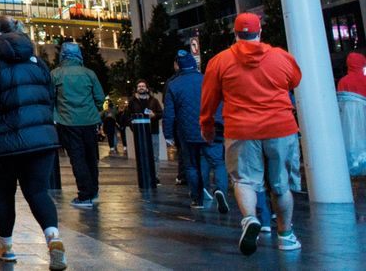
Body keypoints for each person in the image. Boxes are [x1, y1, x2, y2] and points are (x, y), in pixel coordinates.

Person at [0, 16, 66, 270]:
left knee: (3, 192)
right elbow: (49, 98)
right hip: (40, 139)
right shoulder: (37, 62)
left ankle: (6, 247)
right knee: (38, 192)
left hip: (4, 141)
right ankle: (53, 238)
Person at [201, 13, 303, 255]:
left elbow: (208, 101)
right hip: (281, 128)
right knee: (280, 185)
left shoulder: (219, 61)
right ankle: (286, 236)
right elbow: (294, 81)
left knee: (244, 181)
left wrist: (206, 128)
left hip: (241, 130)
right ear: (260, 33)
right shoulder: (281, 56)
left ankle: (250, 219)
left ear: (235, 34)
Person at [163, 50, 229, 212]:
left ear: (178, 66)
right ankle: (220, 189)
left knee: (191, 166)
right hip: (210, 128)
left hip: (187, 132)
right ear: (194, 64)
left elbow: (169, 113)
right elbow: (220, 102)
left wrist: (169, 135)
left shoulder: (173, 85)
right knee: (218, 162)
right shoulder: (207, 79)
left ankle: (197, 199)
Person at [50, 42, 105, 208]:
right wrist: (92, 112)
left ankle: (84, 195)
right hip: (89, 121)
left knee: (78, 158)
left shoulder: (56, 74)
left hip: (67, 122)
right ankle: (93, 191)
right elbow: (100, 98)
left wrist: (56, 116)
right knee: (91, 157)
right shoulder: (89, 74)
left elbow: (50, 99)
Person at [123, 79, 164, 185]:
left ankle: (155, 177)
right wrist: (133, 126)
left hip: (152, 131)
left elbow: (160, 113)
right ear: (136, 88)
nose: (141, 88)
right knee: (142, 155)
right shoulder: (132, 101)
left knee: (155, 155)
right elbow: (126, 116)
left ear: (147, 88)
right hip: (139, 134)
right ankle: (144, 176)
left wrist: (154, 115)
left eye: (143, 86)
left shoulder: (153, 101)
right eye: (139, 86)